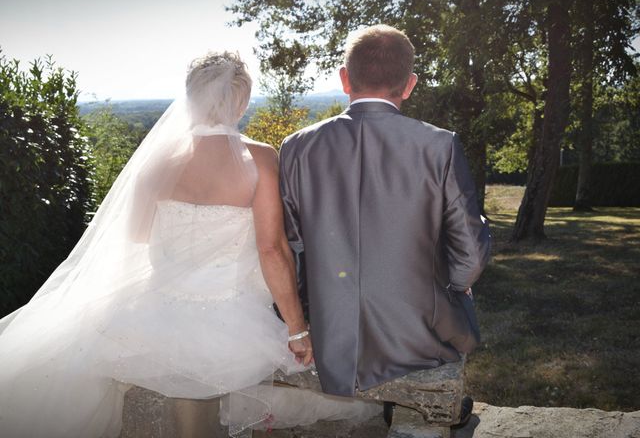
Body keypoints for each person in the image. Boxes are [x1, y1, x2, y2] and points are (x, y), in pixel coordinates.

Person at [0, 51, 380, 437]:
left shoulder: (157, 161)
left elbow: (135, 234)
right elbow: (271, 250)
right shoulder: (260, 158)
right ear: (243, 101)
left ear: (191, 98)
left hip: (154, 312)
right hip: (231, 318)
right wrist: (297, 329)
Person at [279, 25, 491, 407]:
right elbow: (471, 254)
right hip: (417, 334)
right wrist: (456, 285)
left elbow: (291, 246)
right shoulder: (440, 144)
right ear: (409, 85)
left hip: (330, 334)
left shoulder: (296, 147)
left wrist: (302, 320)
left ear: (345, 79)